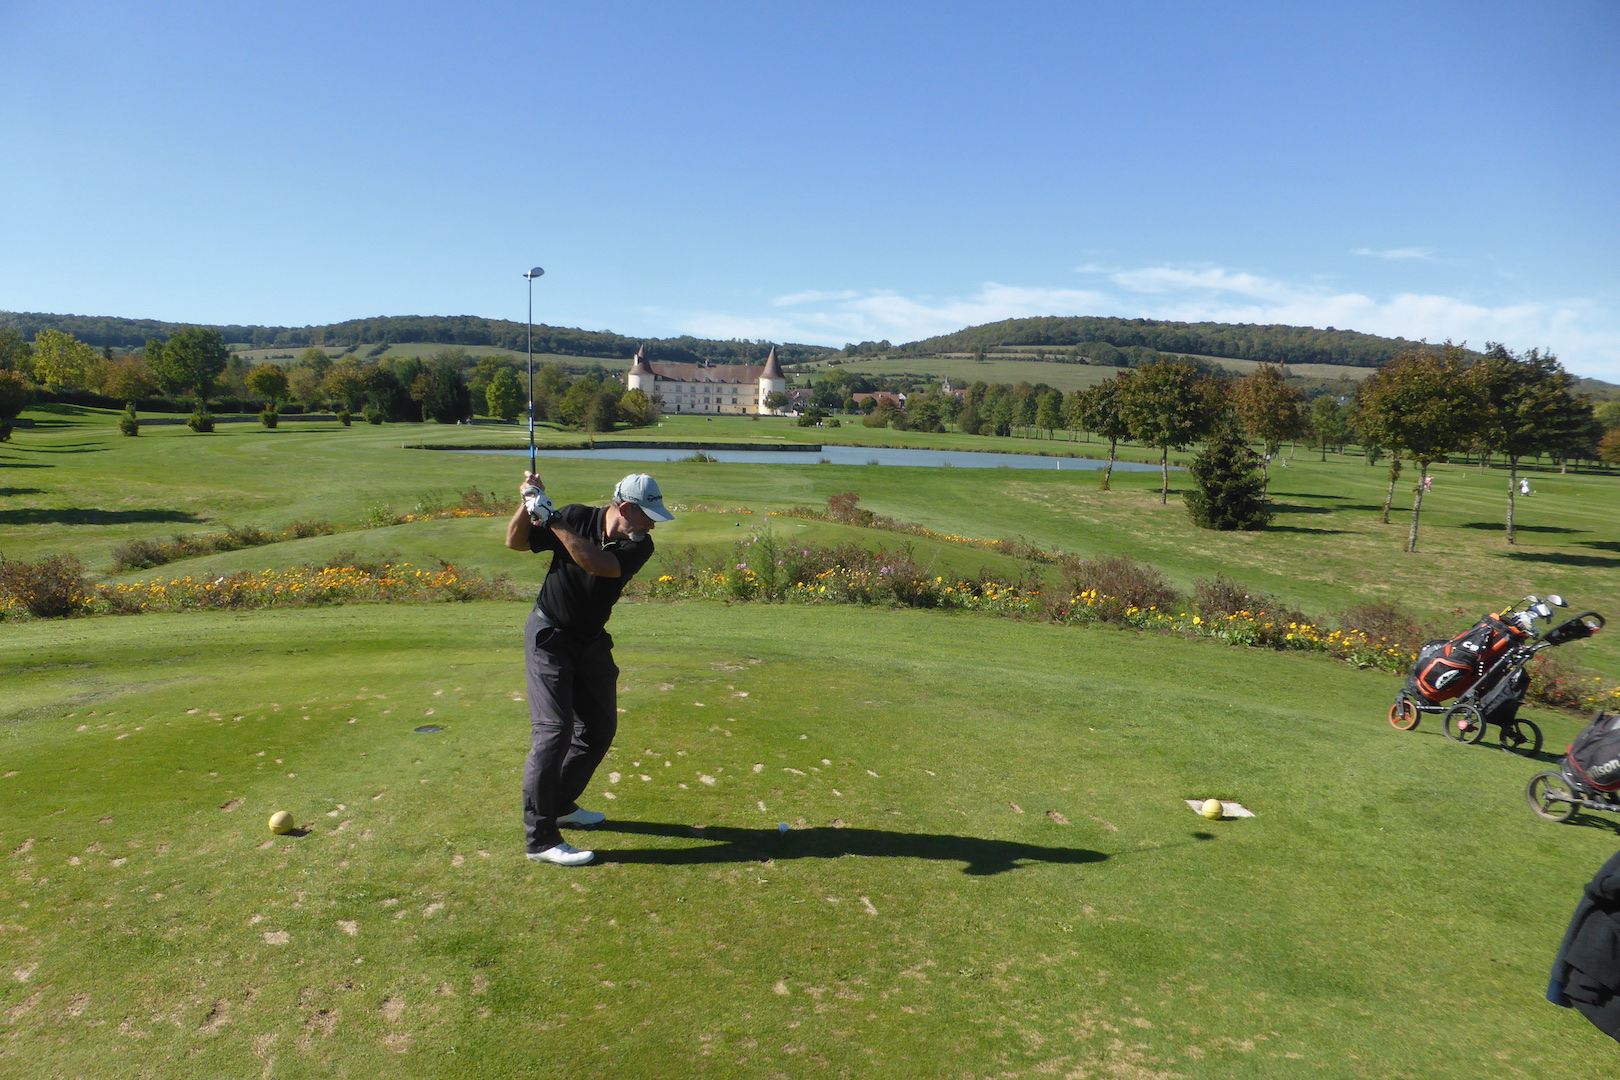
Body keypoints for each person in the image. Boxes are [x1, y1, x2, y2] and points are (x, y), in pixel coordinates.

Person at [504, 470, 672, 866]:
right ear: (626, 507)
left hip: (590, 641)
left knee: (598, 729)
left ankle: (560, 803)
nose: (652, 524)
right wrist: (529, 501)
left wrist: (552, 517)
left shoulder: (640, 546)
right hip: (549, 636)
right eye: (648, 515)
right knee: (552, 733)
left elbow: (596, 564)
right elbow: (515, 542)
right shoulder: (577, 516)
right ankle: (540, 838)